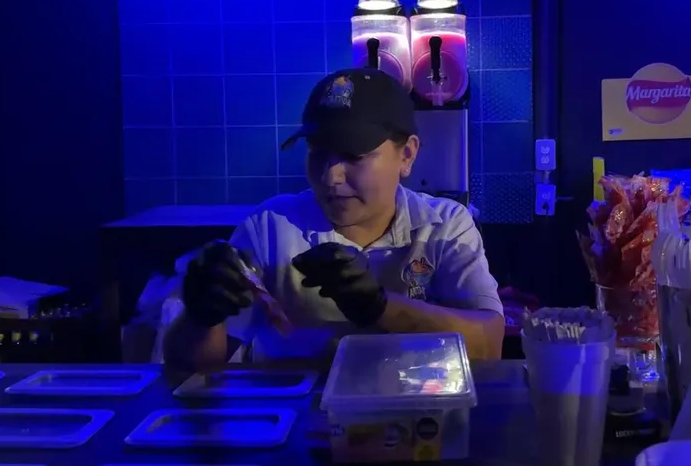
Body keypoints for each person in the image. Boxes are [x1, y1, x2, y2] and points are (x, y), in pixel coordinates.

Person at [156, 68, 504, 370]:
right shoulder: (269, 229)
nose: (330, 176)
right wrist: (202, 317)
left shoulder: (443, 226)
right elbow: (192, 371)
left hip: (417, 413)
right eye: (318, 154)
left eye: (354, 156)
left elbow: (489, 346)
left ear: (407, 155)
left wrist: (380, 307)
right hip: (295, 417)